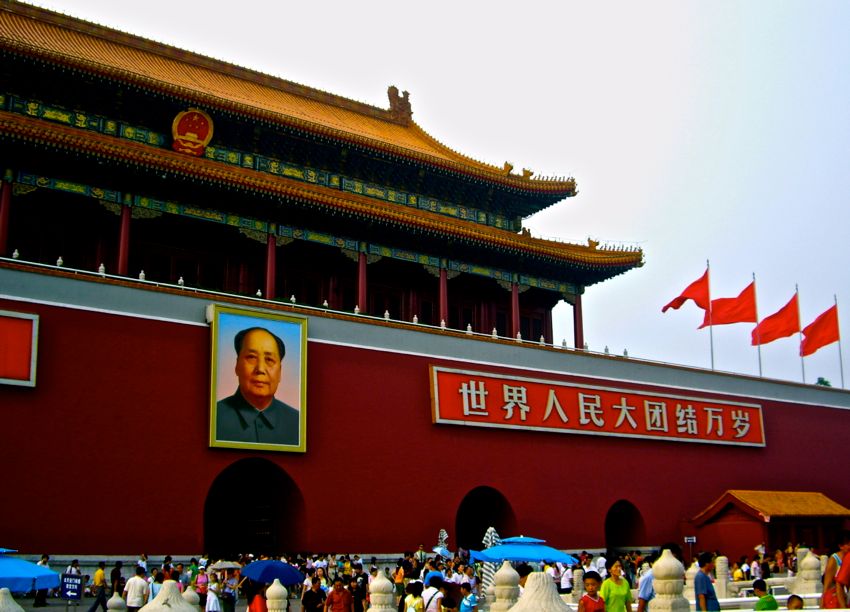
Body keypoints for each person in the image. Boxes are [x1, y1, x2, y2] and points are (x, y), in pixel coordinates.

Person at [216, 327, 300, 446]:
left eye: (269, 359)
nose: (260, 369)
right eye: (251, 357)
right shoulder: (214, 417)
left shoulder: (298, 423)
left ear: (280, 372)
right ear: (237, 365)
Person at [822, 531, 850, 609]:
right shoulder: (834, 560)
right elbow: (826, 586)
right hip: (836, 599)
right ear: (840, 546)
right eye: (847, 544)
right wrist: (822, 605)